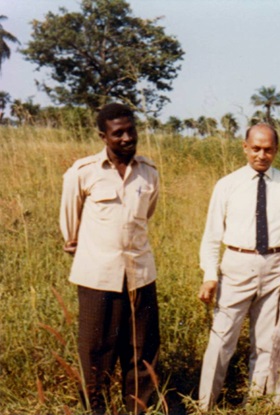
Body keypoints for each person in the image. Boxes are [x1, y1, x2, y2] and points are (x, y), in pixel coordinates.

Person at [197, 123, 280, 410]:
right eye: (256, 149)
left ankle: (256, 404)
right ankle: (204, 405)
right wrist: (210, 275)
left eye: (268, 150)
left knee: (265, 343)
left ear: (276, 150)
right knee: (221, 340)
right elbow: (212, 234)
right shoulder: (227, 185)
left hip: (275, 266)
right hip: (237, 265)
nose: (261, 155)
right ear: (245, 147)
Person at [59, 103, 160, 414]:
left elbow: (148, 214)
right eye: (119, 133)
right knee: (95, 353)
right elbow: (69, 226)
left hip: (140, 276)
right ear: (103, 136)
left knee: (142, 353)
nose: (128, 138)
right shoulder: (83, 172)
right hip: (97, 277)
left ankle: (139, 410)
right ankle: (95, 410)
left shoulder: (149, 172)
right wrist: (91, 251)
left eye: (131, 131)